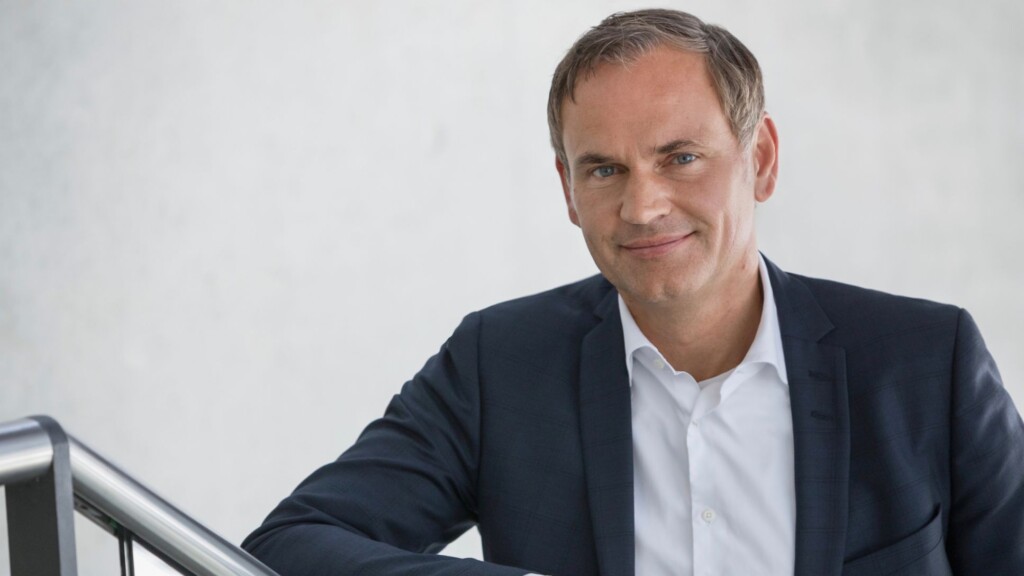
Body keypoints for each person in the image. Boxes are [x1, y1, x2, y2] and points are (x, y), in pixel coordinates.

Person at [242, 9, 1024, 575]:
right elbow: (293, 544)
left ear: (760, 158)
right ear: (568, 189)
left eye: (680, 157)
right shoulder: (499, 365)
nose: (642, 206)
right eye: (605, 169)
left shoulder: (927, 362)